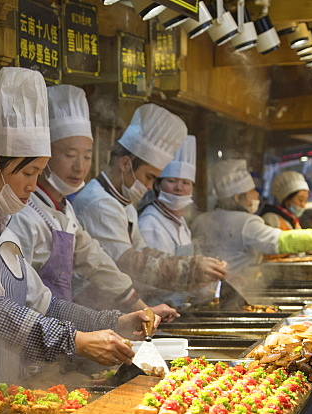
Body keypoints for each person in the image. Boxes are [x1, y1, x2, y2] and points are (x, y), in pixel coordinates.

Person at [0, 67, 156, 414]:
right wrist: (76, 342)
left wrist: (112, 322)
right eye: (27, 173)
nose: (32, 184)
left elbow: (46, 304)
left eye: (39, 173)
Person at [7, 85, 177, 320]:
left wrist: (141, 308)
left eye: (87, 156)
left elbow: (94, 260)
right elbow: (18, 301)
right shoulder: (23, 213)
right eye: (69, 155)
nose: (80, 167)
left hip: (62, 334)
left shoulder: (63, 208)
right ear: (44, 157)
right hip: (32, 338)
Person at [72, 104, 227, 309]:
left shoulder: (123, 203)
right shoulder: (98, 203)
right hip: (93, 308)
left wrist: (193, 266)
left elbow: (142, 250)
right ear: (125, 164)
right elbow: (127, 262)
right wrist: (188, 270)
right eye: (149, 177)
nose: (148, 186)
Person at [191, 160, 312, 308]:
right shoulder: (246, 223)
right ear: (238, 198)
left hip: (203, 295)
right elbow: (282, 240)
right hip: (236, 294)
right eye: (252, 192)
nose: (256, 195)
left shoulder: (202, 219)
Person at [136, 135, 213, 307]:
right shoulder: (149, 223)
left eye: (185, 182)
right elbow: (146, 279)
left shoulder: (181, 222)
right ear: (158, 184)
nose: (179, 188)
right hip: (158, 309)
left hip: (180, 308)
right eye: (171, 181)